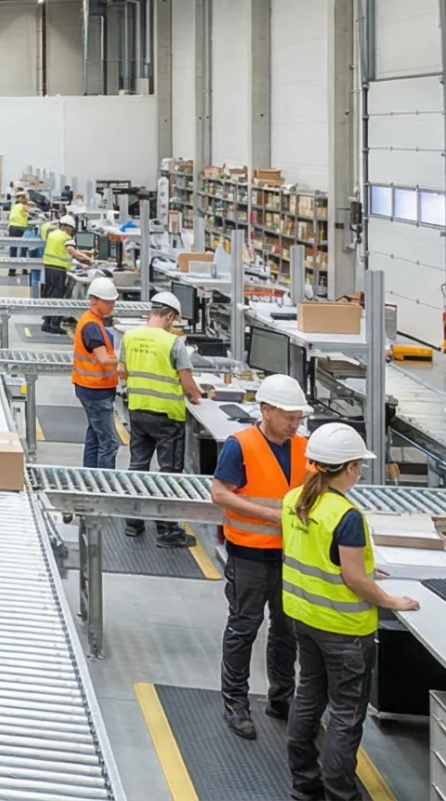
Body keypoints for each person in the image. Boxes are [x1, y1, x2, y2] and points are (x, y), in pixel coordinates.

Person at [281, 423, 418, 801]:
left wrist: (362, 566)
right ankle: (341, 794)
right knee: (345, 715)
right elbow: (354, 579)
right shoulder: (346, 515)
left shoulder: (294, 499)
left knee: (308, 698)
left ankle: (304, 786)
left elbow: (318, 555)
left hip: (305, 619)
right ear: (351, 468)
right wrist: (391, 600)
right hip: (344, 631)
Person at [211, 374, 312, 738]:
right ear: (266, 410)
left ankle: (281, 698)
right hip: (249, 554)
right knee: (244, 626)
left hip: (290, 557)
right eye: (289, 417)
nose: (294, 424)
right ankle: (235, 703)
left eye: (298, 418)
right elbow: (220, 494)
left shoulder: (303, 448)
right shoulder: (240, 446)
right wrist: (272, 515)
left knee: (286, 631)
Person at [120, 290, 203, 546]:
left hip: (138, 411)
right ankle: (167, 530)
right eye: (174, 320)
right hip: (168, 417)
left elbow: (122, 372)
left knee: (138, 465)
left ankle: (133, 522)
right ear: (168, 316)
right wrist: (198, 396)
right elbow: (188, 383)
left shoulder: (130, 337)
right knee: (169, 472)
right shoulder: (173, 342)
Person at [70, 275, 124, 470]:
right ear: (94, 301)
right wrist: (126, 362)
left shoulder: (92, 320)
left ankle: (90, 477)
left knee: (95, 437)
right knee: (109, 443)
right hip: (95, 390)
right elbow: (103, 359)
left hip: (91, 388)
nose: (112, 306)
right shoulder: (91, 326)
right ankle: (104, 485)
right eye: (108, 302)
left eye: (113, 302)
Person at [37, 216, 94, 332]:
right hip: (59, 269)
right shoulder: (66, 237)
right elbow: (73, 252)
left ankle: (47, 323)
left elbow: (64, 249)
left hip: (49, 267)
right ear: (68, 228)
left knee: (49, 294)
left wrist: (85, 253)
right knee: (58, 296)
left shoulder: (52, 234)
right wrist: (90, 261)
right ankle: (55, 325)